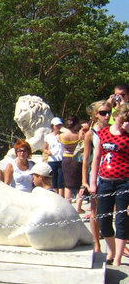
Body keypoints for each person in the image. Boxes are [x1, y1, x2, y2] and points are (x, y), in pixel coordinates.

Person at [89, 103, 129, 266]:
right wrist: (92, 183)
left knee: (120, 219)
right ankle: (111, 250)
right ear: (115, 117)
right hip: (105, 181)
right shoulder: (103, 133)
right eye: (122, 118)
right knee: (104, 219)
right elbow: (96, 158)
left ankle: (118, 257)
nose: (124, 121)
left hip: (124, 181)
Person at [79, 100, 112, 252]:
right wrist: (84, 181)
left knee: (117, 210)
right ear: (96, 115)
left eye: (108, 112)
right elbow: (86, 159)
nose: (106, 116)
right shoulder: (90, 134)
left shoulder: (114, 130)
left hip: (113, 172)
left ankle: (117, 242)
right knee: (95, 210)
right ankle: (96, 242)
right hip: (96, 173)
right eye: (103, 113)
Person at [59, 115, 86, 203]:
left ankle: (68, 204)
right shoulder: (78, 136)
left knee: (68, 185)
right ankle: (78, 207)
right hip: (77, 158)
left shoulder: (62, 136)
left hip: (66, 158)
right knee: (78, 185)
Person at [43, 117, 65, 195]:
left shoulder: (63, 135)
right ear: (52, 126)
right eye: (57, 125)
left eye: (59, 125)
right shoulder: (48, 136)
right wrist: (48, 152)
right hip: (52, 160)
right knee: (54, 180)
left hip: (61, 159)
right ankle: (56, 195)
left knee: (61, 180)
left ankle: (62, 197)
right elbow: (44, 148)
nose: (58, 127)